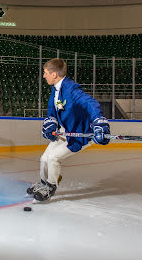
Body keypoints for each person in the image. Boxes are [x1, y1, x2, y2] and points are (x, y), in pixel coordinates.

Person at [27, 58, 110, 202]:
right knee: (44, 159)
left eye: (46, 73)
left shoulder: (71, 89)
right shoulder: (56, 89)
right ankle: (43, 183)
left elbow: (90, 103)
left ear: (54, 74)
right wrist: (51, 123)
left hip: (80, 134)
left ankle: (50, 187)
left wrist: (99, 121)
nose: (44, 76)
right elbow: (52, 109)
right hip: (65, 131)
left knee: (54, 158)